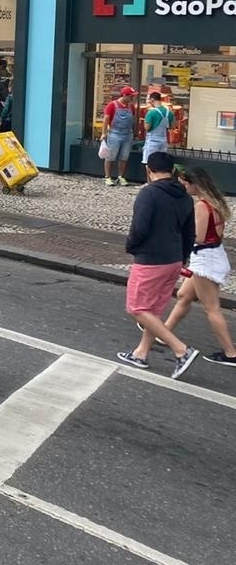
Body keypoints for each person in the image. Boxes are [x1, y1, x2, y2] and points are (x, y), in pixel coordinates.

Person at [115, 151, 199, 379]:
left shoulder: (148, 193)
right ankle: (141, 353)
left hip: (150, 259)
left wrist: (131, 246)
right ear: (172, 171)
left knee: (137, 308)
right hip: (173, 260)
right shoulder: (184, 197)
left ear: (148, 170)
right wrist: (182, 258)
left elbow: (139, 228)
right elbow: (189, 232)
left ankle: (181, 350)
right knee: (152, 310)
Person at [159, 166, 236, 366]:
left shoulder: (202, 206)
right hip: (213, 254)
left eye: (185, 183)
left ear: (195, 184)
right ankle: (163, 332)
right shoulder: (216, 201)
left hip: (204, 259)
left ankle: (230, 353)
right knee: (184, 295)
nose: (183, 187)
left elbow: (199, 237)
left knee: (212, 308)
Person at [101, 85, 138, 186]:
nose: (132, 98)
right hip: (115, 134)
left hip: (128, 134)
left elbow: (132, 119)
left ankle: (121, 176)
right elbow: (106, 119)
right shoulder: (112, 105)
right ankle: (107, 177)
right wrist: (104, 133)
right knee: (110, 156)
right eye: (131, 96)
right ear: (124, 95)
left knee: (124, 157)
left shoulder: (131, 107)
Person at [141, 91, 173, 164]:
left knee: (148, 163)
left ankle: (149, 176)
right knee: (160, 163)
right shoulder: (169, 112)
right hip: (164, 141)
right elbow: (172, 126)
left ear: (152, 100)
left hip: (152, 141)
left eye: (150, 102)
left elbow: (147, 128)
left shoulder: (151, 112)